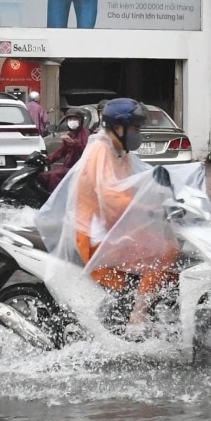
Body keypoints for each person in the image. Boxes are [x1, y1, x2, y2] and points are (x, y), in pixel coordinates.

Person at [65, 98, 177, 332]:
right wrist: (148, 209)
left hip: (113, 226)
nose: (138, 134)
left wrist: (166, 196)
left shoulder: (120, 152)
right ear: (118, 128)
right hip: (94, 233)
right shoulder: (100, 150)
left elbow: (138, 182)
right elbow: (110, 196)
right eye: (135, 129)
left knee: (169, 247)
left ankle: (149, 310)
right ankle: (138, 317)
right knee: (162, 252)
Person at [43, 109, 89, 189]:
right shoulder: (70, 134)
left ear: (80, 120)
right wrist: (46, 159)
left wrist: (73, 143)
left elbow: (85, 150)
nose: (72, 122)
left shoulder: (86, 133)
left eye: (75, 119)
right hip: (69, 167)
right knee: (43, 175)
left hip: (79, 168)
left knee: (54, 175)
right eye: (70, 119)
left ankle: (56, 199)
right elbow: (61, 152)